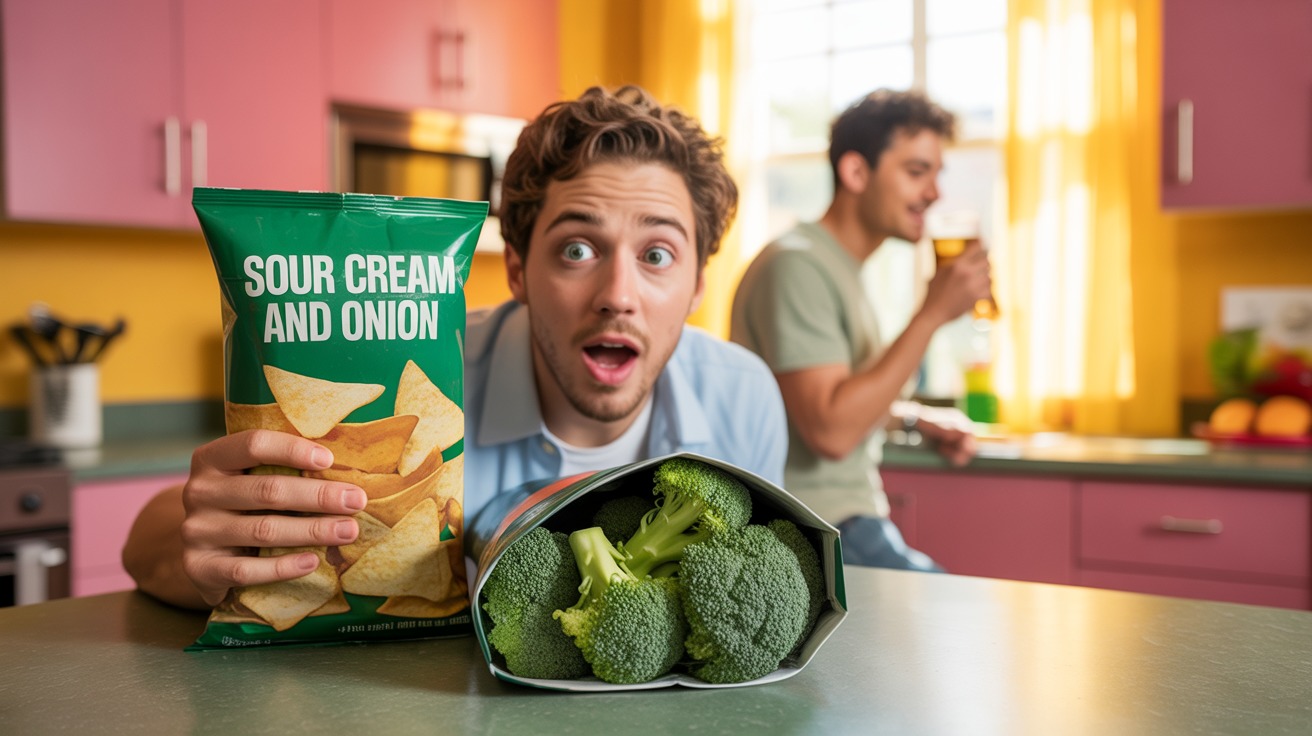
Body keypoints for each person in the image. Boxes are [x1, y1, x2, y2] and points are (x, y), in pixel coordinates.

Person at [123, 86, 787, 609]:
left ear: (699, 283)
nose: (618, 294)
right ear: (520, 269)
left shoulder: (743, 399)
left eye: (658, 254)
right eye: (577, 249)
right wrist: (210, 556)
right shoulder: (413, 368)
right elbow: (151, 535)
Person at [729, 89, 991, 571]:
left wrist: (914, 419)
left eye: (937, 174)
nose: (934, 192)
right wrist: (932, 313)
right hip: (819, 527)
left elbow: (828, 397)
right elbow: (830, 429)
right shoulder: (797, 268)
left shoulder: (839, 268)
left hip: (849, 519)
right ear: (855, 172)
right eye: (916, 172)